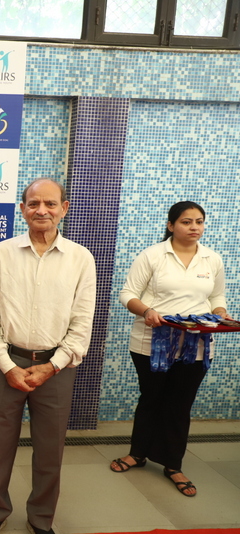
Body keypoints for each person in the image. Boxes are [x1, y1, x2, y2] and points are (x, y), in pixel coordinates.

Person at [0, 179, 96, 534]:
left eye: (50, 203)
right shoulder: (2, 253)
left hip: (57, 367)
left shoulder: (81, 258)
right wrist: (7, 365)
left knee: (49, 450)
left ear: (64, 208)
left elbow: (82, 322)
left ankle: (41, 518)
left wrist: (51, 366)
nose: (42, 210)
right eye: (33, 204)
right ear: (22, 209)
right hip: (7, 363)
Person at [109, 201, 226, 498]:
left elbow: (217, 296)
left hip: (195, 347)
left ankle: (173, 465)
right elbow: (127, 294)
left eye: (199, 222)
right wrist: (147, 311)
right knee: (151, 399)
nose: (194, 227)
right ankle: (137, 454)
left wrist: (221, 313)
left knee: (180, 404)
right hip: (151, 344)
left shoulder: (212, 259)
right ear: (171, 225)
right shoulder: (152, 256)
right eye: (186, 222)